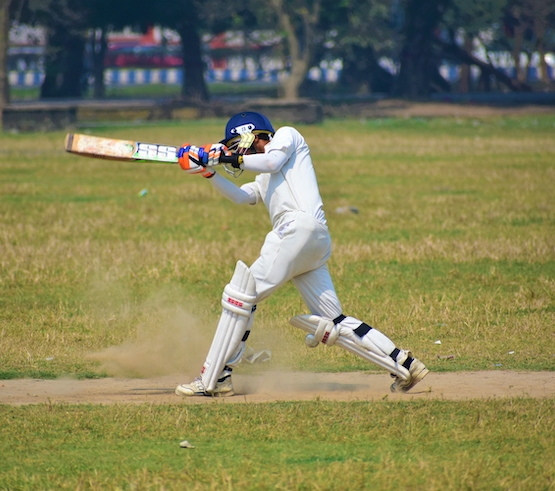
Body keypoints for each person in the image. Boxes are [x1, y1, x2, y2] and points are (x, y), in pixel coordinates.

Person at [174, 111, 428, 397]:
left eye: (236, 144)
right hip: (314, 242)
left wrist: (222, 157)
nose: (235, 152)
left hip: (297, 230)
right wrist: (208, 173)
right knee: (336, 321)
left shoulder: (287, 135)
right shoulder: (264, 178)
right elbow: (241, 197)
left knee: (240, 295)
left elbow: (271, 160)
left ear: (251, 135)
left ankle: (214, 379)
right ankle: (404, 364)